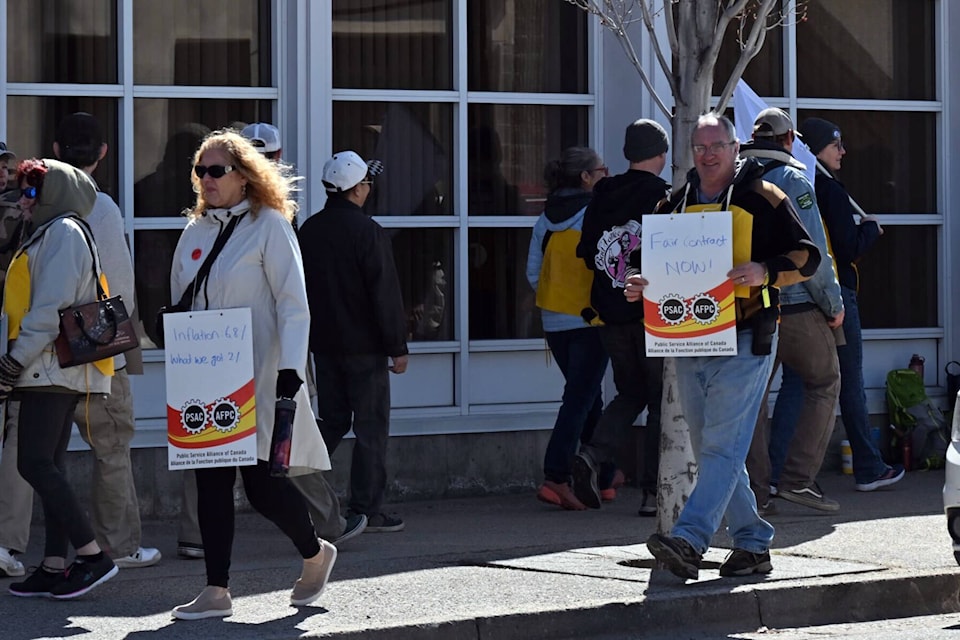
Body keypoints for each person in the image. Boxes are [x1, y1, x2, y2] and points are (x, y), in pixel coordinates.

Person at [633, 113, 820, 580]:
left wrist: (765, 271)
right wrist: (640, 283)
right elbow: (650, 265)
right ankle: (753, 545)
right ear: (690, 152)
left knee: (720, 448)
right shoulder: (671, 204)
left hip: (746, 337)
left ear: (736, 148)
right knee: (716, 449)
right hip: (687, 339)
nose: (708, 154)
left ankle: (690, 540)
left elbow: (808, 257)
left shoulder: (764, 195)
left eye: (717, 145)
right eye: (700, 147)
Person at [169, 130, 336, 619]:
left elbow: (293, 304)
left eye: (216, 171)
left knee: (263, 487)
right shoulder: (195, 230)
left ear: (244, 176)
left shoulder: (270, 226)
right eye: (200, 171)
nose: (206, 179)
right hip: (207, 377)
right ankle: (216, 590)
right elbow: (185, 297)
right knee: (211, 483)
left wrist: (290, 371)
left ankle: (314, 552)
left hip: (260, 372)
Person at [1, 158, 118, 598]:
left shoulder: (63, 234)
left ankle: (92, 556)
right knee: (48, 464)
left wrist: (12, 363)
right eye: (22, 192)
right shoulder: (49, 233)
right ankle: (53, 564)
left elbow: (48, 311)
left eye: (32, 192)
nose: (24, 201)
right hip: (48, 366)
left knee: (33, 462)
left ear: (54, 194)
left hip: (49, 366)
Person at [52, 112, 162, 567]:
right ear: (103, 153)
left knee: (34, 454)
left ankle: (11, 545)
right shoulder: (102, 206)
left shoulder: (37, 201)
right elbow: (119, 284)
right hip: (96, 349)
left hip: (40, 346)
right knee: (111, 448)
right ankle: (118, 545)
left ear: (55, 150)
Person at [740, 108, 845, 515]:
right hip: (796, 306)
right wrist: (833, 305)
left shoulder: (736, 180)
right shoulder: (794, 179)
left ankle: (756, 494)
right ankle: (798, 481)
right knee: (824, 382)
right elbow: (813, 250)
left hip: (750, 307)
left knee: (753, 401)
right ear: (788, 141)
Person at [299, 150, 409, 533]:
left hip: (323, 346)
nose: (369, 188)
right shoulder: (368, 232)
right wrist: (397, 346)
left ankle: (302, 478)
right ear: (357, 189)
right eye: (366, 182)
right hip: (365, 347)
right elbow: (385, 294)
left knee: (331, 421)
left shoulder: (308, 231)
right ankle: (367, 508)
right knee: (371, 428)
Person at [798, 117, 904, 493]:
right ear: (814, 150)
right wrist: (869, 232)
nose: (842, 151)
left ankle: (782, 473)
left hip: (802, 299)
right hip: (838, 297)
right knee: (849, 382)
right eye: (835, 145)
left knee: (801, 384)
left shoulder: (801, 187)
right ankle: (868, 466)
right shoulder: (828, 190)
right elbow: (844, 248)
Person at [573, 119, 671, 514]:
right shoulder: (665, 195)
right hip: (652, 313)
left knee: (631, 391)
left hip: (609, 313)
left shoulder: (604, 192)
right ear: (662, 155)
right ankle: (654, 492)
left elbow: (585, 252)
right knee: (662, 398)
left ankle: (593, 454)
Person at [525, 147, 610, 510]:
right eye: (601, 170)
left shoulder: (545, 218)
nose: (606, 174)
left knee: (587, 395)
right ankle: (556, 475)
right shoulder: (596, 213)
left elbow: (533, 273)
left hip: (554, 321)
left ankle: (604, 475)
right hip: (591, 318)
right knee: (579, 398)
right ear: (586, 178)